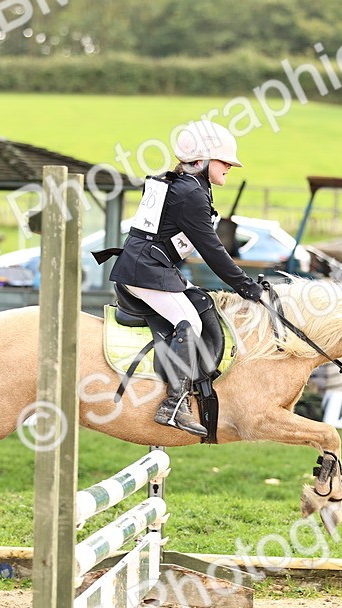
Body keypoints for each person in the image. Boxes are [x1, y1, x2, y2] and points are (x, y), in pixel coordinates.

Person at [107, 121, 264, 436]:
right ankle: (173, 405)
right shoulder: (189, 192)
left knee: (200, 301)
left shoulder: (186, 185)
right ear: (203, 160)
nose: (230, 167)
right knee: (189, 321)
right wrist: (247, 287)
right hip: (145, 271)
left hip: (152, 267)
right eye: (224, 161)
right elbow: (213, 251)